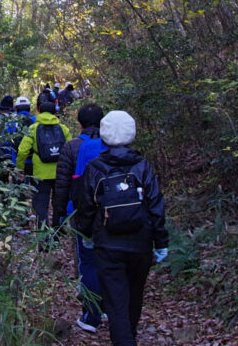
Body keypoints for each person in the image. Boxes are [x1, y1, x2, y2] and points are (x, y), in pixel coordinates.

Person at [76, 111, 168, 346]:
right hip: (141, 242)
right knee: (134, 294)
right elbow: (155, 205)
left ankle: (124, 340)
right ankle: (130, 336)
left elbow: (86, 206)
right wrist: (161, 242)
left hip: (107, 244)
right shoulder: (142, 166)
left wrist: (86, 234)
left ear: (104, 135)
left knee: (116, 301)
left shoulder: (95, 168)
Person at [53, 102, 106, 332]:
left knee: (86, 260)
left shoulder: (72, 146)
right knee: (107, 258)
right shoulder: (112, 145)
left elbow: (63, 184)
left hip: (81, 211)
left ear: (80, 123)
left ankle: (91, 310)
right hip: (111, 210)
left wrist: (59, 214)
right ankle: (108, 306)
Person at [16, 97, 70, 228]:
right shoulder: (63, 129)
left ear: (39, 111)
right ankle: (58, 230)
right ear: (55, 112)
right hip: (60, 172)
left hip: (40, 173)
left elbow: (23, 151)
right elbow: (70, 149)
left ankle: (43, 234)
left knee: (40, 203)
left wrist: (19, 168)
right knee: (59, 201)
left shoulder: (33, 129)